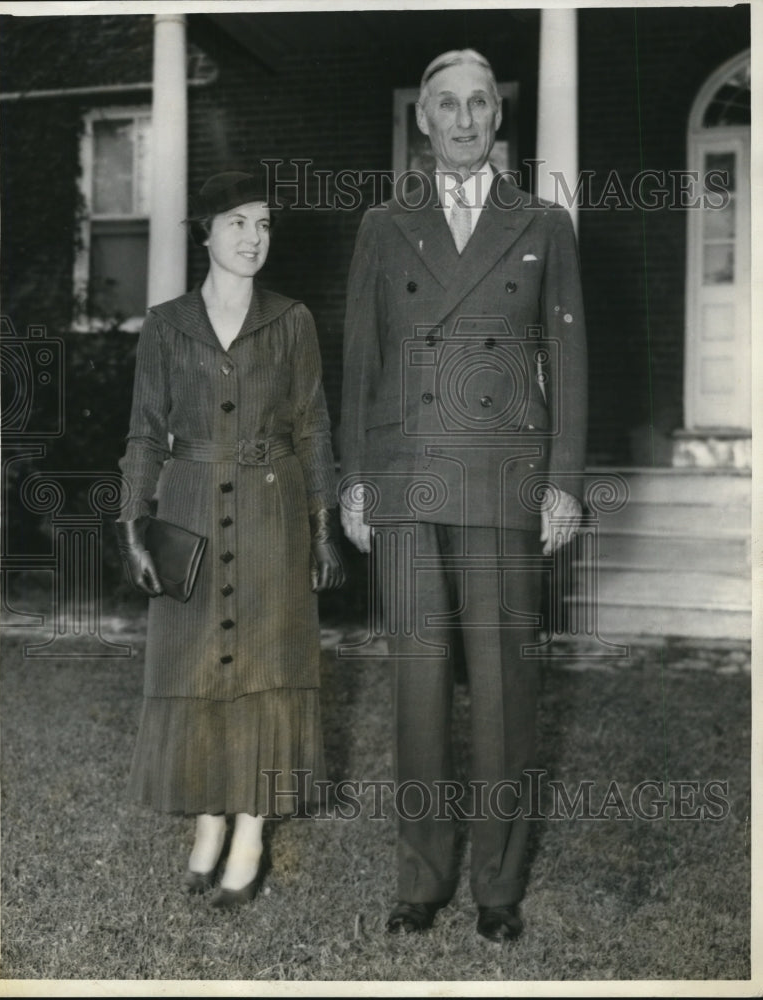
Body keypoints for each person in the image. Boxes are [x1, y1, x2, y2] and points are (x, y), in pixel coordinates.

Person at [340, 50, 587, 941]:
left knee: (505, 684)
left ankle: (497, 886)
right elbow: (360, 358)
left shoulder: (543, 222)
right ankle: (422, 877)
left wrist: (563, 483)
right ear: (422, 120)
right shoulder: (383, 224)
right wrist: (354, 479)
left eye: (478, 103)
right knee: (416, 689)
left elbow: (570, 358)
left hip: (503, 477)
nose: (463, 119)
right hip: (406, 475)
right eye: (445, 105)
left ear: (498, 116)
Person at [116, 170, 344, 908]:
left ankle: (251, 829)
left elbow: (313, 427)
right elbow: (144, 433)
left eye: (264, 224)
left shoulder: (292, 320)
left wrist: (323, 525)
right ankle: (208, 817)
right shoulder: (166, 324)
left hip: (273, 509)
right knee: (196, 662)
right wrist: (132, 524)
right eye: (237, 222)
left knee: (267, 665)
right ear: (204, 233)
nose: (253, 237)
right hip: (187, 509)